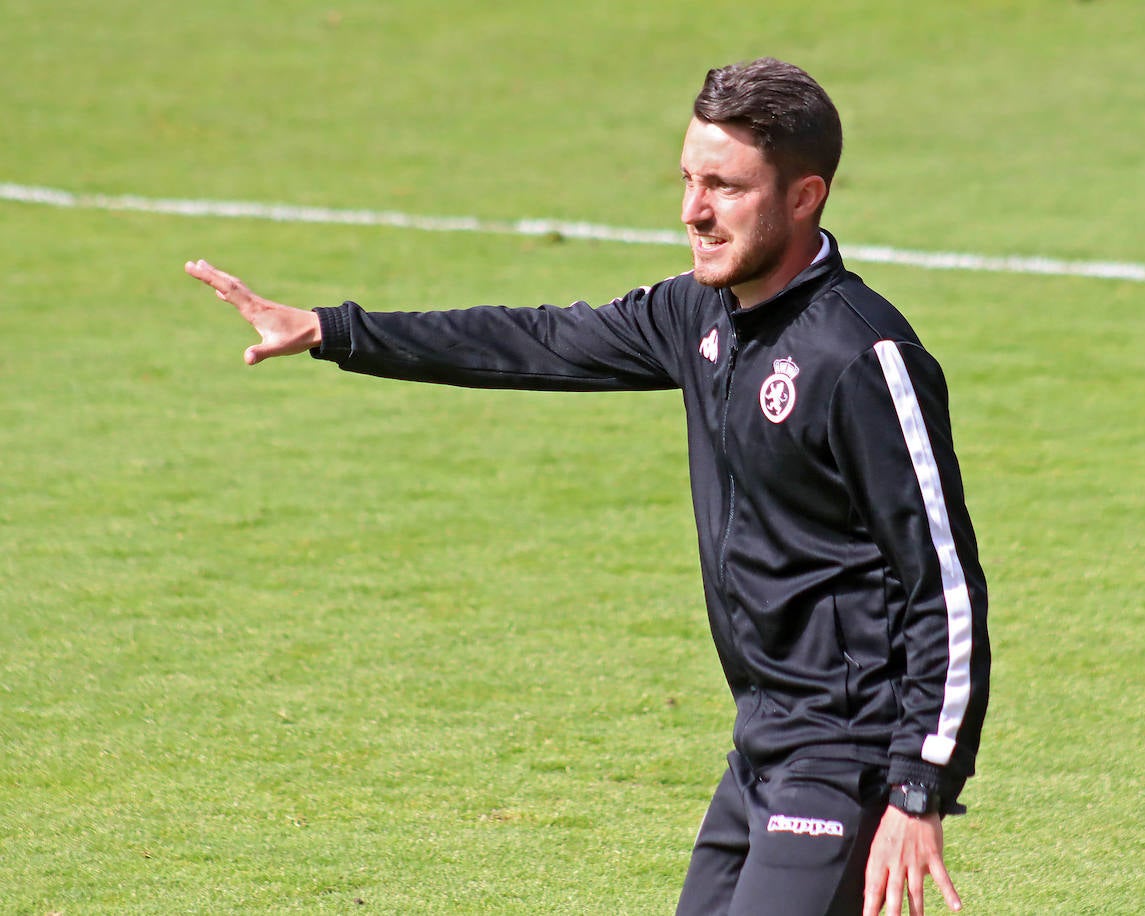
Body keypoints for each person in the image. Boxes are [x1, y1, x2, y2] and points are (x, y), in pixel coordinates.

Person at [186, 57, 990, 916]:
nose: (693, 212)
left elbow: (944, 585)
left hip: (845, 751)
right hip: (762, 741)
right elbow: (539, 341)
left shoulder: (863, 358)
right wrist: (330, 330)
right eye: (687, 180)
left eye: (724, 187)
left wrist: (919, 787)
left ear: (804, 197)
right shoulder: (698, 315)